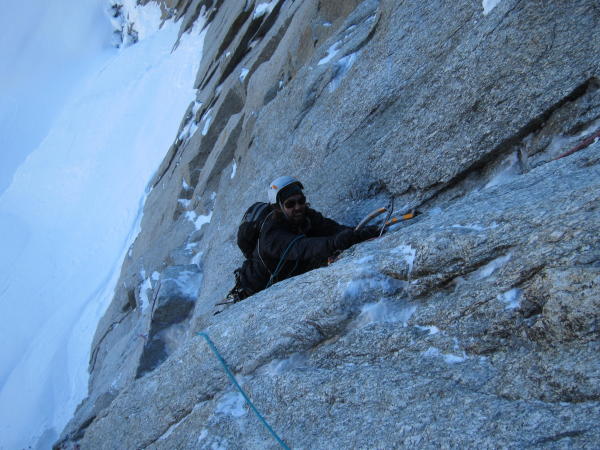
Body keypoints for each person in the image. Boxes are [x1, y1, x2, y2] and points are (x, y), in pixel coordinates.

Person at [223, 176, 381, 305]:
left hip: (291, 269)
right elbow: (300, 247)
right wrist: (334, 243)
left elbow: (331, 228)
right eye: (290, 204)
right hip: (256, 286)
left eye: (301, 200)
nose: (298, 207)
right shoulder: (271, 234)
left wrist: (359, 233)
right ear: (278, 207)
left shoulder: (305, 216)